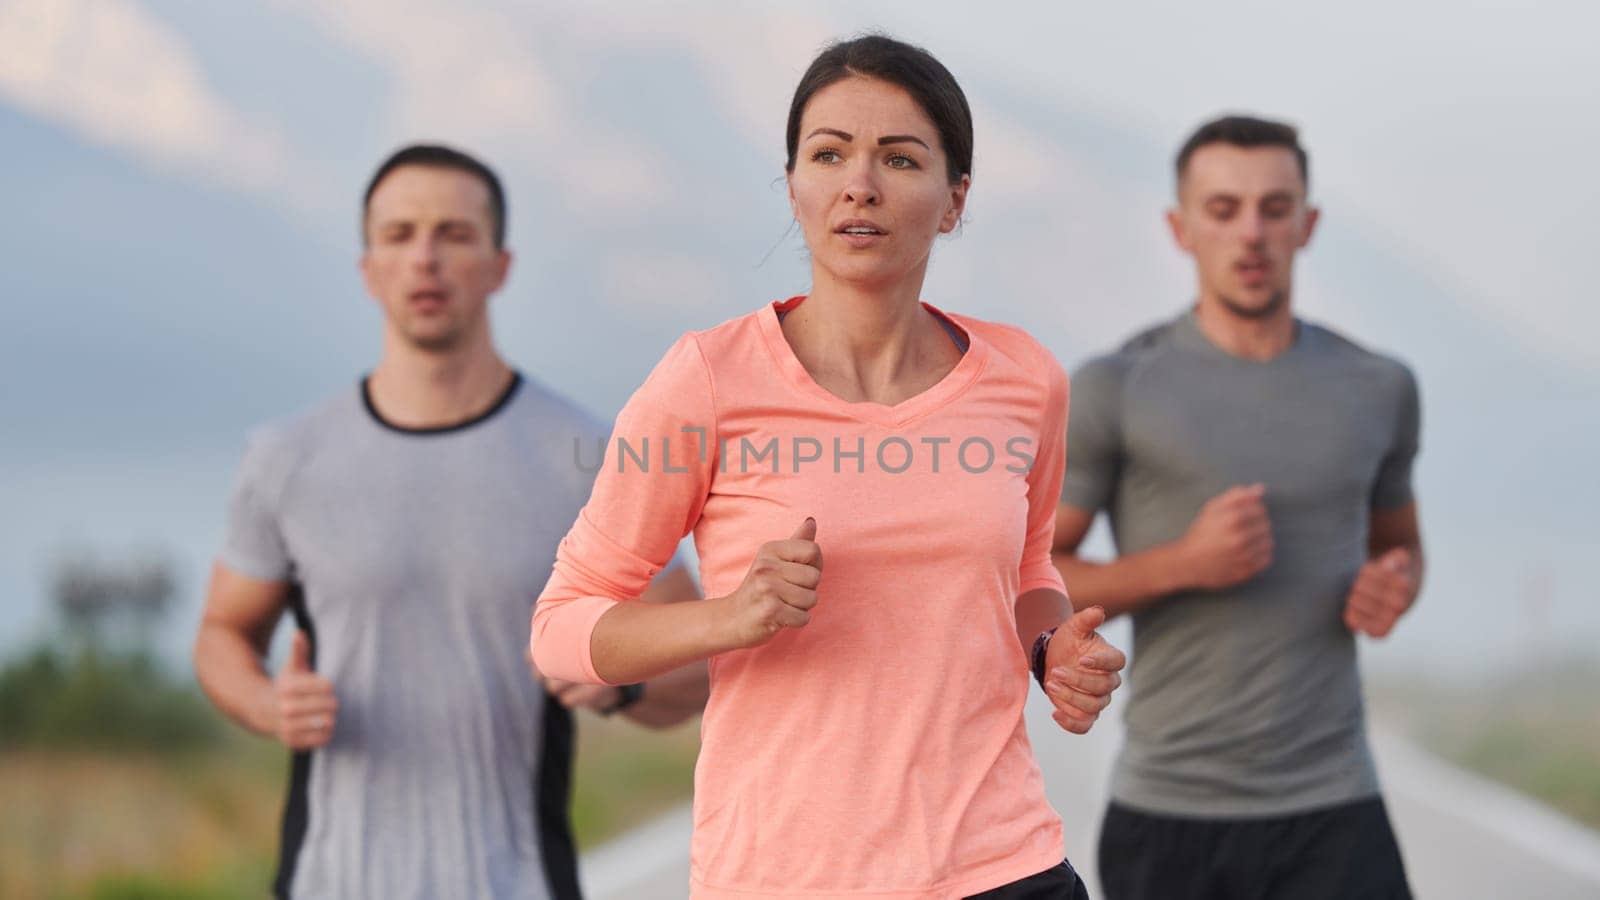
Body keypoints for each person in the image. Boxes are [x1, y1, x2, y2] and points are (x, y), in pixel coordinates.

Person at [530, 34, 1125, 900]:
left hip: (1005, 867)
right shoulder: (705, 378)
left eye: (900, 157)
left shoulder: (1025, 378)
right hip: (782, 877)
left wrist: (1050, 648)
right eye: (830, 153)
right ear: (795, 188)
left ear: (954, 199)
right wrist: (727, 618)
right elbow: (561, 625)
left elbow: (1029, 568)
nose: (861, 183)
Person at [192, 144, 708, 900]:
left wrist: (620, 686)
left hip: (518, 880)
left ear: (501, 265)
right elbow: (221, 633)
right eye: (399, 235)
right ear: (368, 269)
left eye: (454, 234)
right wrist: (267, 703)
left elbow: (695, 659)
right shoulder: (288, 458)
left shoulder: (586, 457)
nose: (425, 259)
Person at [1051, 115, 1421, 899]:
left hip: (1337, 804)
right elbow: (1039, 580)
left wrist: (1395, 584)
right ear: (1180, 229)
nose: (1250, 234)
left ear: (1307, 224)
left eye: (1274, 208)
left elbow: (1402, 545)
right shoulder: (1117, 386)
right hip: (1170, 812)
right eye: (1223, 210)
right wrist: (1184, 564)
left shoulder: (1378, 386)